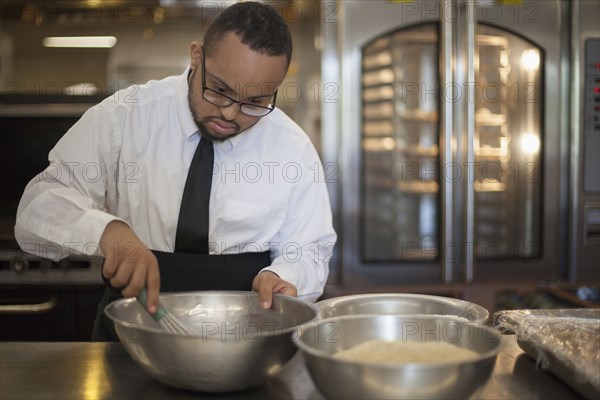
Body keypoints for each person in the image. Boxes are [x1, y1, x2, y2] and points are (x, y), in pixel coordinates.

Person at [15, 1, 336, 341]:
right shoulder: (124, 118)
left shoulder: (291, 147)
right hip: (129, 340)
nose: (230, 113)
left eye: (255, 101)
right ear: (196, 57)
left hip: (247, 343)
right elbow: (37, 208)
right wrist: (107, 232)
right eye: (220, 90)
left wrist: (286, 275)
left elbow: (309, 248)